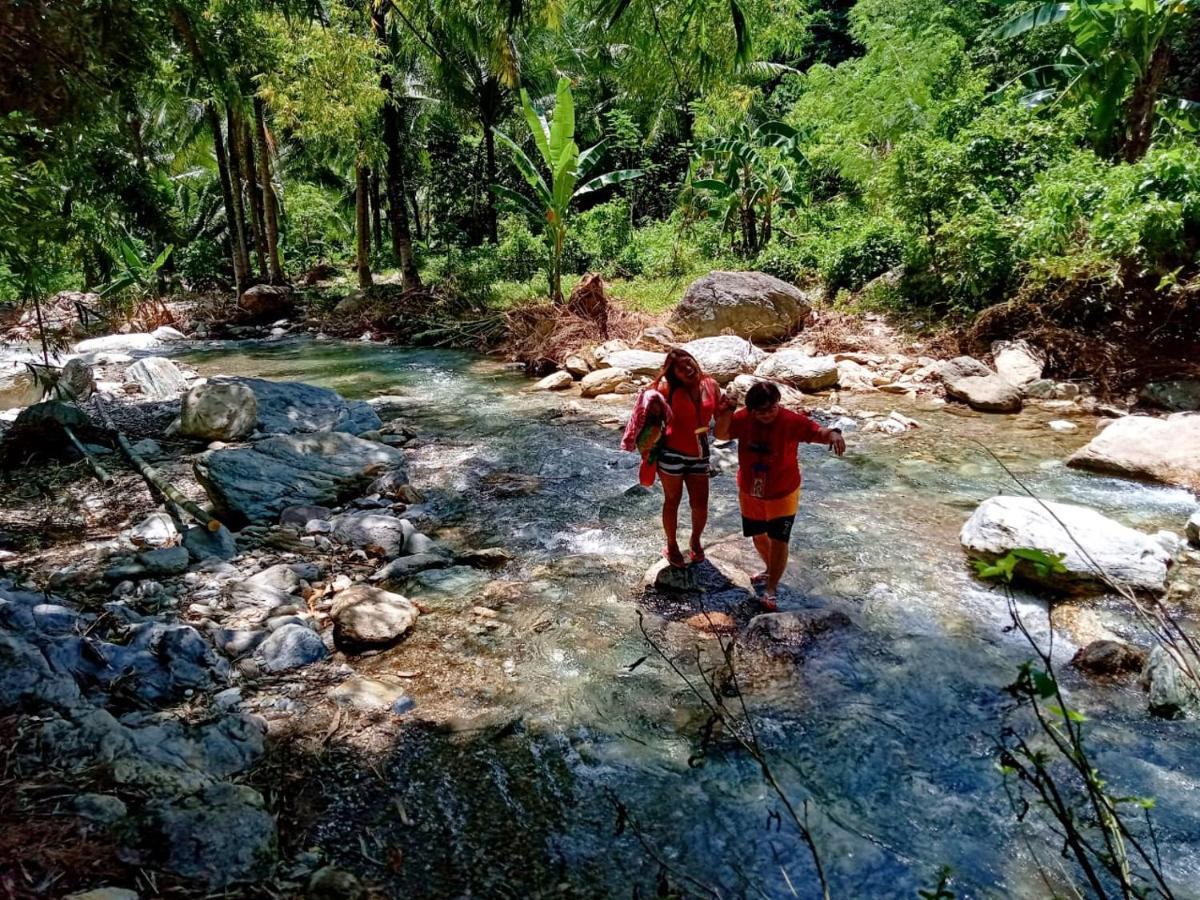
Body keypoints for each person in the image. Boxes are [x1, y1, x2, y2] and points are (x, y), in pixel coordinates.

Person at [715, 381, 845, 610]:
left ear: (778, 404)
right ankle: (769, 569)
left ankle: (772, 588)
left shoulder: (791, 420)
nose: (768, 415)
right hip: (751, 489)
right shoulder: (744, 418)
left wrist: (833, 434)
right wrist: (725, 412)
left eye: (772, 409)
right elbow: (722, 433)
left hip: (783, 491)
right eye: (761, 412)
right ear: (752, 409)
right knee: (757, 535)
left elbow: (816, 432)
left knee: (779, 539)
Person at [653, 348, 727, 568]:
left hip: (700, 453)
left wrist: (729, 409)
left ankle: (695, 540)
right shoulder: (665, 389)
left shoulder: (711, 385)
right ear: (673, 374)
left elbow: (721, 425)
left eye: (689, 363)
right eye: (680, 368)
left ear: (695, 362)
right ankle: (671, 544)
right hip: (670, 453)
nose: (687, 369)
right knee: (672, 501)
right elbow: (648, 416)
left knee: (700, 504)